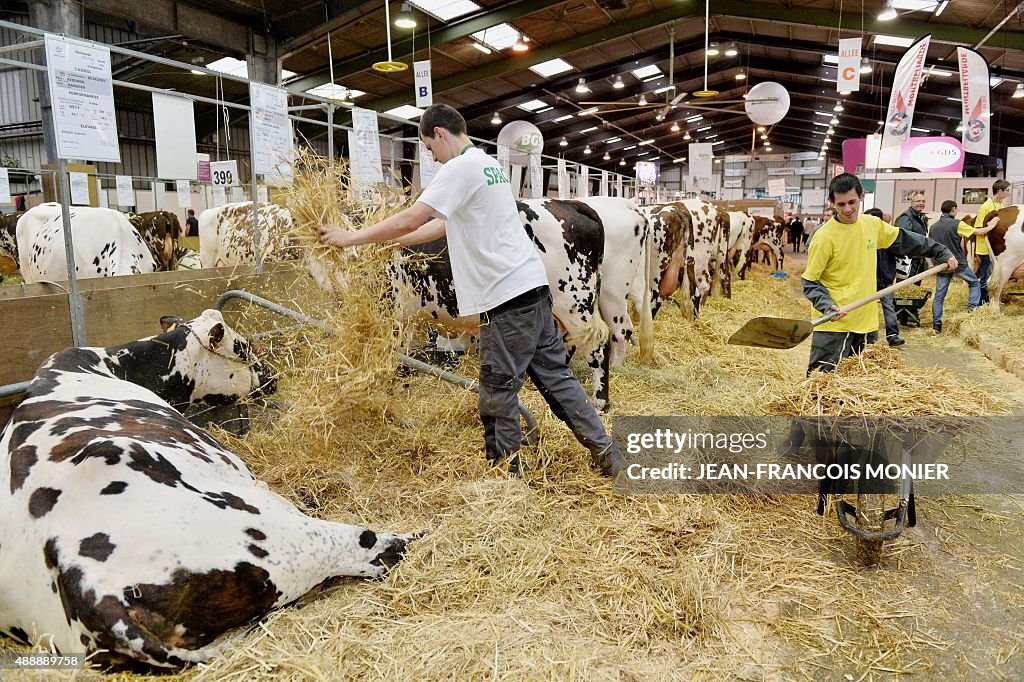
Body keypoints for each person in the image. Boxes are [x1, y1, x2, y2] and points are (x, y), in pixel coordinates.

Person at [317, 103, 625, 478]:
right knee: (557, 379)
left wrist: (352, 238)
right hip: (533, 289)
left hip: (507, 299)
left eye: (430, 148)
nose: (431, 156)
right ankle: (607, 452)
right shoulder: (487, 164)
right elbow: (440, 226)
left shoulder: (459, 168)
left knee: (497, 393)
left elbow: (413, 216)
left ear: (440, 134)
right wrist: (395, 244)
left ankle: (505, 477)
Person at [801, 174, 955, 374]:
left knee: (863, 386)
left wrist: (940, 252)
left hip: (866, 324)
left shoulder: (872, 225)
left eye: (852, 202)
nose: (847, 209)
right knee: (822, 387)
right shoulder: (823, 238)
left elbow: (907, 240)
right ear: (832, 202)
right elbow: (810, 282)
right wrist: (825, 304)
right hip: (833, 326)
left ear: (862, 195)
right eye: (841, 204)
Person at [929, 200, 998, 332]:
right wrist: (992, 225)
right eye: (957, 209)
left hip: (941, 265)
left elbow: (929, 246)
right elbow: (978, 232)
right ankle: (971, 312)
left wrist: (931, 263)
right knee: (974, 283)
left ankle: (936, 325)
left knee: (939, 296)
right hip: (958, 263)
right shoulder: (957, 224)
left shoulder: (933, 227)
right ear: (953, 209)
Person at [862, 208, 903, 347]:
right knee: (867, 308)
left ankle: (892, 336)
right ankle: (869, 337)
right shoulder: (862, 237)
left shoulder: (888, 237)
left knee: (889, 307)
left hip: (885, 278)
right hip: (867, 280)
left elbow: (900, 253)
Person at [974, 179, 1010, 304]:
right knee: (986, 275)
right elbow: (978, 228)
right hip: (985, 248)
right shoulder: (985, 207)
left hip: (996, 249)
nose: (1008, 193)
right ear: (999, 191)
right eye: (1007, 191)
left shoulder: (1001, 205)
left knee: (993, 275)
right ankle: (982, 301)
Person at [895, 191, 929, 277]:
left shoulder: (921, 217)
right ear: (912, 203)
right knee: (906, 287)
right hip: (908, 260)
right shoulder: (906, 217)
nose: (921, 203)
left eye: (923, 201)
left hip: (918, 258)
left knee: (915, 286)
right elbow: (903, 237)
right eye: (918, 201)